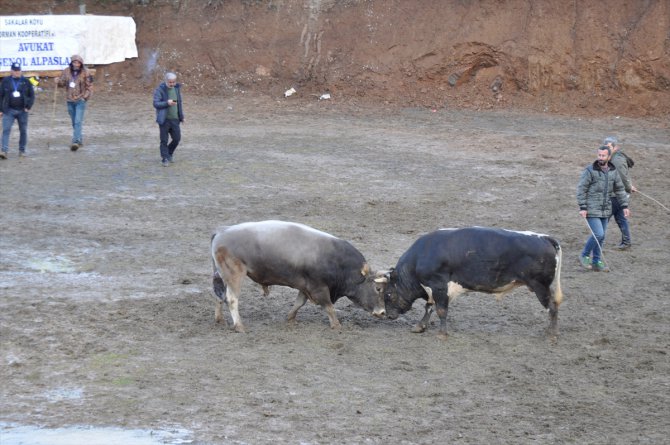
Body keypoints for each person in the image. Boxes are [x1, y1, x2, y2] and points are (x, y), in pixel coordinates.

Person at [577, 145, 630, 272]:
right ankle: (584, 255)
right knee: (598, 234)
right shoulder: (589, 171)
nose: (600, 158)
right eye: (599, 155)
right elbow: (581, 189)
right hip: (591, 209)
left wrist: (625, 206)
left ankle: (596, 261)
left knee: (602, 237)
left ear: (609, 157)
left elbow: (620, 189)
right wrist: (583, 207)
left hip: (606, 209)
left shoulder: (613, 171)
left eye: (603, 155)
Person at [603, 136, 636, 249]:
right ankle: (626, 242)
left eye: (608, 147)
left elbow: (622, 176)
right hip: (618, 195)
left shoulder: (617, 160)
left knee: (603, 217)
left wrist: (628, 187)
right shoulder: (614, 157)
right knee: (621, 218)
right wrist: (629, 186)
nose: (606, 149)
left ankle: (596, 241)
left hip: (616, 196)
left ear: (615, 147)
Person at [55, 54, 93, 151]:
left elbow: (89, 87)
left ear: (81, 63)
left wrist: (85, 97)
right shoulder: (66, 71)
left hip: (80, 100)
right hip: (69, 100)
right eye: (74, 62)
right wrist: (58, 81)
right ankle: (79, 140)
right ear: (71, 63)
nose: (76, 64)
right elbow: (62, 84)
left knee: (77, 121)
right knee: (74, 122)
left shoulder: (86, 72)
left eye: (78, 62)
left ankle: (75, 141)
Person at [0, 62, 35, 159]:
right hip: (8, 110)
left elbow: (32, 96)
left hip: (23, 110)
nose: (17, 72)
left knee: (23, 130)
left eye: (18, 70)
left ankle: (22, 150)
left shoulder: (26, 81)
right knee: (6, 130)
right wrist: (1, 109)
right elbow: (1, 95)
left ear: (21, 70)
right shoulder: (5, 81)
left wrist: (28, 107)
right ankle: (4, 151)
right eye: (15, 70)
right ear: (11, 71)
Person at [153, 72, 184, 167]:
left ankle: (169, 153)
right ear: (166, 81)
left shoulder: (177, 89)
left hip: (175, 119)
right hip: (164, 120)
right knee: (164, 140)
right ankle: (165, 158)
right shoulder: (160, 90)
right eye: (170, 82)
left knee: (177, 139)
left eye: (174, 82)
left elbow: (179, 103)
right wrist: (167, 103)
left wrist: (181, 116)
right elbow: (156, 104)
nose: (172, 84)